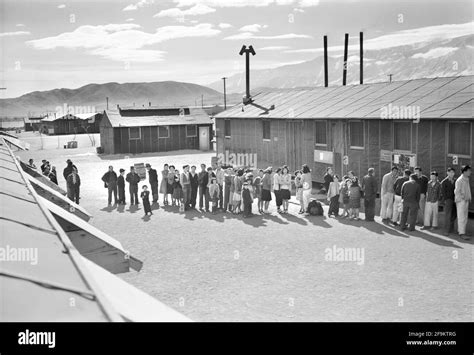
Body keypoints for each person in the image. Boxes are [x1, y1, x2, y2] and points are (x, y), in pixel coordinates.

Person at [454, 165, 472, 240]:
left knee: (465, 217)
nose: (470, 172)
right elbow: (456, 191)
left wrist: (469, 197)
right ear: (464, 171)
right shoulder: (460, 180)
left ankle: (462, 231)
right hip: (461, 201)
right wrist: (462, 198)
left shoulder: (466, 178)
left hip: (466, 200)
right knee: (461, 217)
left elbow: (468, 189)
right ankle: (462, 233)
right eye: (469, 171)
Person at [440, 167, 457, 236]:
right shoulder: (444, 182)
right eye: (450, 172)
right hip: (448, 200)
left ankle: (451, 229)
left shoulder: (456, 180)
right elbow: (443, 193)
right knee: (448, 215)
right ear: (447, 173)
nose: (451, 174)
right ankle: (446, 230)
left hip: (455, 199)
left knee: (454, 214)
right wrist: (446, 200)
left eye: (453, 172)